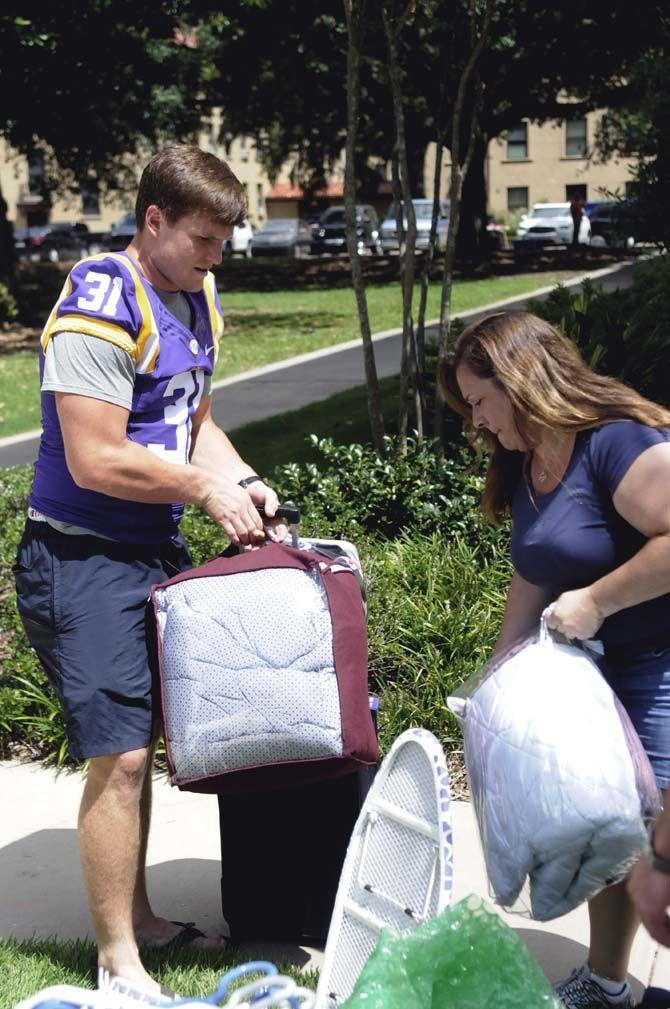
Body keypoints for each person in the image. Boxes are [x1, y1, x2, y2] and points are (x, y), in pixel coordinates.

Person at [13, 145, 287, 1001]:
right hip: (81, 556)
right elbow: (96, 457)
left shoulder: (195, 292)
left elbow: (188, 420)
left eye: (225, 240)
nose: (217, 257)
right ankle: (117, 959)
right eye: (203, 238)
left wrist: (238, 477)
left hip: (150, 550)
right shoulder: (101, 298)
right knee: (120, 757)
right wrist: (205, 489)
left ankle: (141, 917)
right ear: (154, 221)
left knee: (143, 749)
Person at [441, 310, 670, 1009]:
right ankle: (606, 984)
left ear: (519, 379)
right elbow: (533, 573)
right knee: (604, 835)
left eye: (479, 400)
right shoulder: (526, 465)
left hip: (660, 664)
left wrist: (597, 600)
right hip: (591, 676)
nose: (475, 420)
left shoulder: (615, 442)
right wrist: (498, 676)